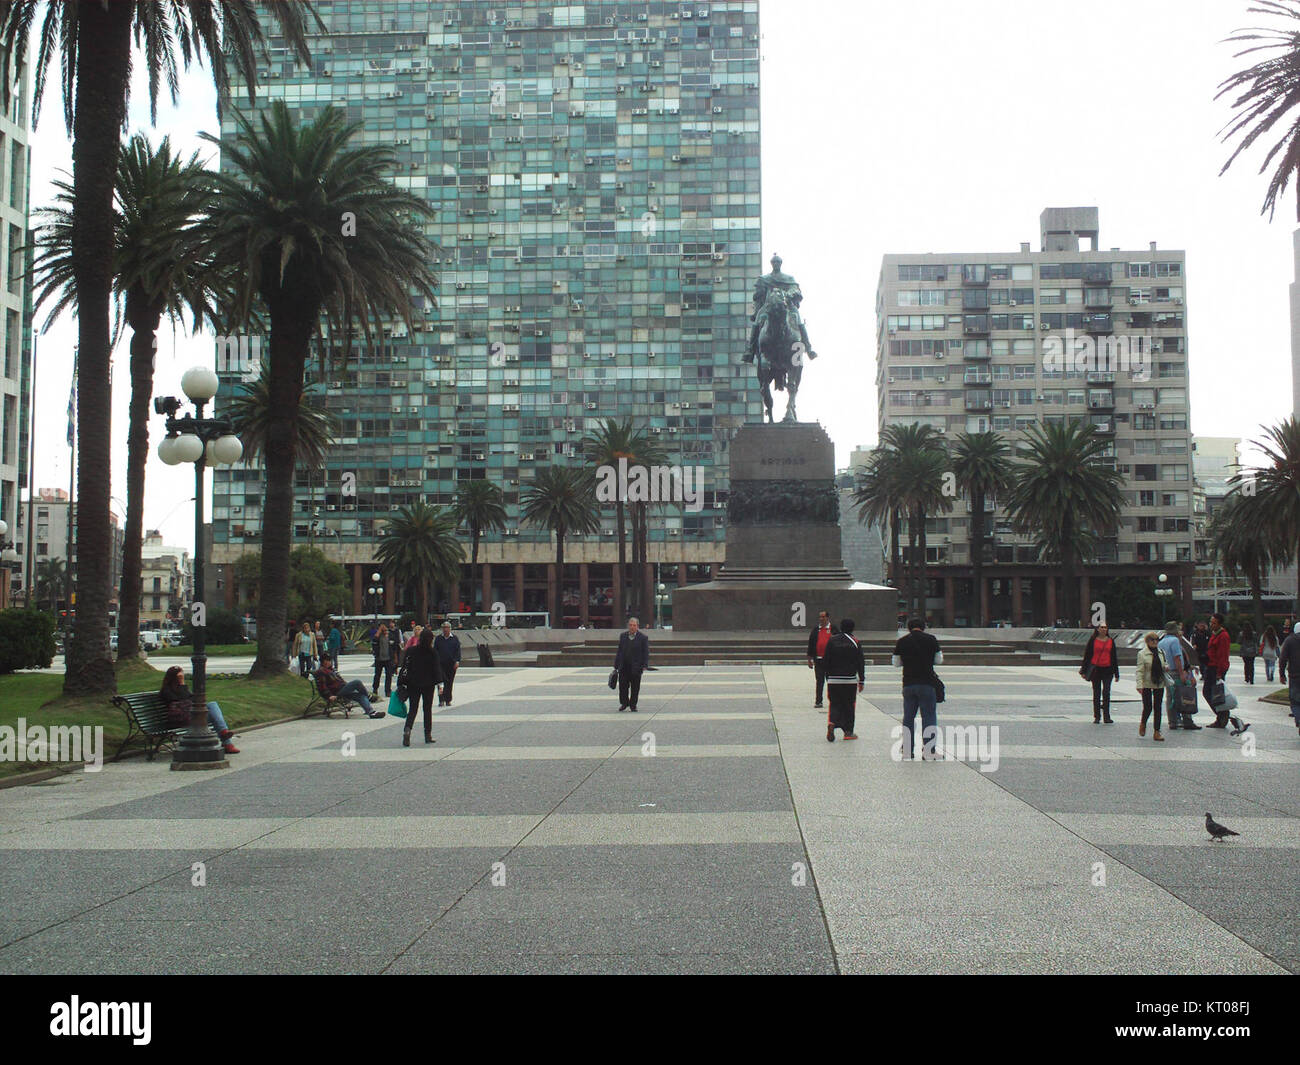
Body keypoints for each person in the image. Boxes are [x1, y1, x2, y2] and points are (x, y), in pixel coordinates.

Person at [892, 617, 943, 759]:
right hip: (927, 683)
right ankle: (929, 751)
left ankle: (907, 750)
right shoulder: (931, 639)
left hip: (908, 683)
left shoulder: (902, 641)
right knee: (929, 716)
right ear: (923, 627)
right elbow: (939, 660)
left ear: (908, 628)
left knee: (908, 717)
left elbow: (896, 663)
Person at [159, 666, 239, 754]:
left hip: (190, 716)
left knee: (212, 705)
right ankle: (227, 742)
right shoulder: (166, 690)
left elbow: (193, 699)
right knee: (214, 716)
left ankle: (225, 735)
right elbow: (183, 700)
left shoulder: (181, 688)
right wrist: (182, 684)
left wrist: (183, 686)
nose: (183, 677)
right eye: (180, 676)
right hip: (179, 720)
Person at [399, 627, 442, 746]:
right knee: (427, 709)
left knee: (413, 709)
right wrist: (440, 684)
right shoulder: (432, 652)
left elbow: (405, 666)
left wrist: (401, 682)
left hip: (413, 684)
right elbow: (437, 669)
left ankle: (407, 730)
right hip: (428, 685)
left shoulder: (411, 650)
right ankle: (427, 735)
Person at [824, 618, 865, 742]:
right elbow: (860, 663)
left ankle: (832, 722)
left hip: (833, 680)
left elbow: (826, 660)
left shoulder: (831, 641)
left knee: (835, 703)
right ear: (852, 628)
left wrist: (828, 677)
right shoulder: (855, 641)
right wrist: (861, 680)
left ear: (841, 627)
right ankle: (848, 732)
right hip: (849, 680)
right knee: (849, 706)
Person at [1158, 621, 1200, 731]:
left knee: (1170, 697)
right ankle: (1187, 721)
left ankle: (1172, 722)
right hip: (1176, 672)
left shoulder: (1161, 642)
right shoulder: (1175, 641)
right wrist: (1182, 673)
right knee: (1184, 694)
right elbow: (1177, 657)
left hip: (1167, 672)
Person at [312, 659, 385, 719]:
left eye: (329, 661)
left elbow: (341, 681)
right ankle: (369, 696)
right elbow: (322, 686)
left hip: (343, 689)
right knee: (357, 682)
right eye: (327, 661)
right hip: (336, 693)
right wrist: (329, 695)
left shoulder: (332, 670)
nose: (329, 662)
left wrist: (348, 686)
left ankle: (371, 712)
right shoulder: (321, 672)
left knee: (361, 696)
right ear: (323, 662)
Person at [1080, 623, 1120, 724]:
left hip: (1108, 670)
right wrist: (1083, 670)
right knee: (1096, 693)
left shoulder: (1111, 641)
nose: (1103, 629)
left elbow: (1114, 657)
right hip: (1096, 670)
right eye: (1101, 627)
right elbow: (1087, 655)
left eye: (1105, 627)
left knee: (1106, 693)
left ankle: (1107, 716)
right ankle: (1097, 716)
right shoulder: (1093, 640)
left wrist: (1116, 673)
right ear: (1097, 629)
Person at [1135, 631, 1167, 742]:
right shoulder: (1142, 654)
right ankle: (1143, 723)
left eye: (1156, 640)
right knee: (1148, 707)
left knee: (1158, 707)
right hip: (1147, 684)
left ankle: (1157, 731)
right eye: (1152, 640)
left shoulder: (1161, 652)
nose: (1154, 642)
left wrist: (1166, 667)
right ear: (1147, 641)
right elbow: (1139, 670)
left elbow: (1165, 664)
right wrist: (1139, 685)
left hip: (1159, 683)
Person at [614, 616, 650, 712]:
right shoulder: (623, 636)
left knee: (635, 688)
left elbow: (645, 652)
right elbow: (619, 651)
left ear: (637, 626)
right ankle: (624, 703)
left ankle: (633, 705)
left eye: (634, 625)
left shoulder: (643, 638)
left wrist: (645, 665)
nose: (632, 627)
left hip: (636, 667)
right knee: (623, 687)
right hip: (624, 667)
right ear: (628, 626)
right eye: (630, 625)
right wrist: (616, 664)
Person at [806, 610, 837, 710]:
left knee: (831, 681)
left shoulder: (833, 629)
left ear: (828, 618)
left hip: (831, 661)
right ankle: (818, 701)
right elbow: (811, 644)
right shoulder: (816, 630)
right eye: (820, 617)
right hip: (818, 660)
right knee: (819, 681)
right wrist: (809, 659)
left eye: (823, 617)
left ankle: (834, 701)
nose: (821, 619)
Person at [1205, 613, 1231, 729]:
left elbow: (1223, 655)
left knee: (1214, 694)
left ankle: (1223, 715)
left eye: (1214, 623)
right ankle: (1220, 716)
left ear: (1219, 624)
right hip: (1210, 666)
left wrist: (1220, 672)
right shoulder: (1214, 634)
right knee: (1210, 693)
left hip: (1216, 668)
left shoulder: (1223, 636)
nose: (1211, 624)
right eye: (1211, 622)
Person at [1278, 622, 1300, 738]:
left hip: (1295, 675)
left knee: (1295, 701)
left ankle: (1299, 719)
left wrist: (1282, 674)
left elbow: (1282, 658)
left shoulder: (1290, 640)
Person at [433, 621, 462, 706]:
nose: (445, 629)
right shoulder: (438, 639)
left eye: (447, 627)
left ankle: (448, 699)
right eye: (444, 627)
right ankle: (441, 700)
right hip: (440, 664)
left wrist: (457, 661)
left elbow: (458, 651)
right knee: (440, 682)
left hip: (451, 664)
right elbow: (435, 651)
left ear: (450, 629)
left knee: (449, 682)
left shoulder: (454, 639)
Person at [370, 623, 396, 699]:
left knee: (389, 675)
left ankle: (388, 690)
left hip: (388, 659)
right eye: (382, 628)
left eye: (385, 628)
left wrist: (395, 658)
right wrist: (379, 631)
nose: (384, 630)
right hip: (379, 659)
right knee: (377, 675)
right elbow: (374, 641)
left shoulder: (390, 635)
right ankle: (375, 689)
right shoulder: (377, 636)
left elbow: (394, 647)